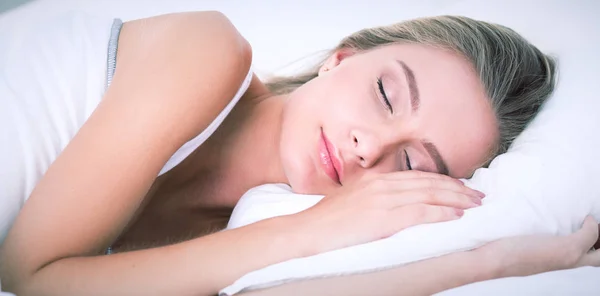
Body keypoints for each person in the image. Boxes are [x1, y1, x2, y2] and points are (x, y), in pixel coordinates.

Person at [0, 10, 597, 296]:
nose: (371, 147)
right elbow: (29, 278)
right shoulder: (207, 51)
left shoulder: (255, 220)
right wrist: (312, 229)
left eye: (413, 164)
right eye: (387, 94)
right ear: (342, 58)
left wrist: (489, 263)